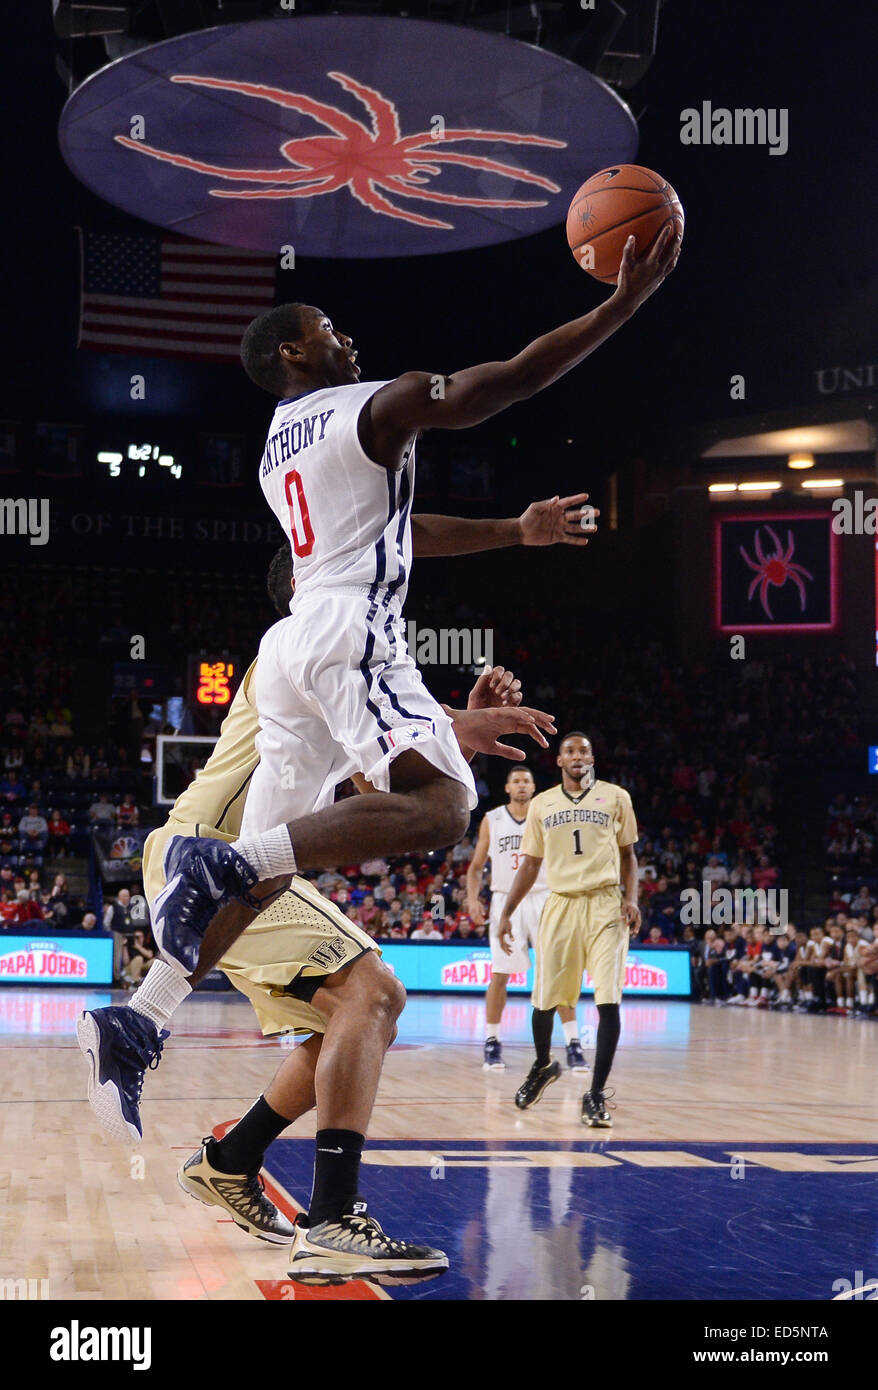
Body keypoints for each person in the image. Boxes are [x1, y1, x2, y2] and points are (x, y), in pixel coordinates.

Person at [149, 224, 680, 982]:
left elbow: (398, 532)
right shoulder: (379, 404)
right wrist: (620, 308)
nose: (347, 335)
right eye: (327, 328)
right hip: (346, 629)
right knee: (443, 807)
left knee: (266, 881)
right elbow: (511, 379)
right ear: (293, 353)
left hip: (296, 644)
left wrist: (515, 531)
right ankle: (220, 858)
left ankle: (143, 1014)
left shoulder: (275, 450)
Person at [79, 548, 556, 1285]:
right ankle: (333, 1218)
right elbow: (386, 776)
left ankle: (230, 1160)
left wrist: (450, 722)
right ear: (311, 582)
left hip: (239, 862)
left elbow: (379, 760)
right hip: (218, 854)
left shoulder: (330, 667)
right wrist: (451, 726)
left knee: (352, 1014)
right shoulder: (315, 642)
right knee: (374, 994)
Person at [499, 732, 640, 1126]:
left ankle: (595, 1095)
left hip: (606, 904)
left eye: (584, 751)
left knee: (608, 999)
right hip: (560, 904)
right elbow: (529, 864)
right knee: (544, 1000)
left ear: (592, 758)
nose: (578, 756)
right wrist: (507, 912)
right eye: (570, 751)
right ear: (559, 761)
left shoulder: (616, 797)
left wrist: (633, 899)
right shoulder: (542, 804)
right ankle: (543, 1064)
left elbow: (629, 856)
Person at [466, 766, 584, 1073]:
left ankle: (573, 1043)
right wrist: (471, 898)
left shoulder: (547, 815)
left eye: (526, 781)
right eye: (516, 780)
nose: (521, 785)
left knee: (558, 971)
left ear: (533, 788)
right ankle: (492, 1041)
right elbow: (476, 867)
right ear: (507, 787)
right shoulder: (492, 820)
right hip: (505, 899)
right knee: (500, 974)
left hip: (545, 897)